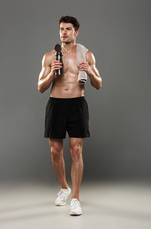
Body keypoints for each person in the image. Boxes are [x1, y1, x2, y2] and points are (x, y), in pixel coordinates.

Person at [38, 16, 102, 216]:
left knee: (76, 151)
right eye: (61, 29)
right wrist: (51, 75)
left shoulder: (86, 54)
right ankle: (64, 187)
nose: (64, 32)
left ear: (76, 32)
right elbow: (40, 87)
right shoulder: (49, 56)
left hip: (77, 104)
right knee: (55, 151)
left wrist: (90, 72)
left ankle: (75, 198)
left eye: (68, 29)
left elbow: (98, 83)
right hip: (56, 104)